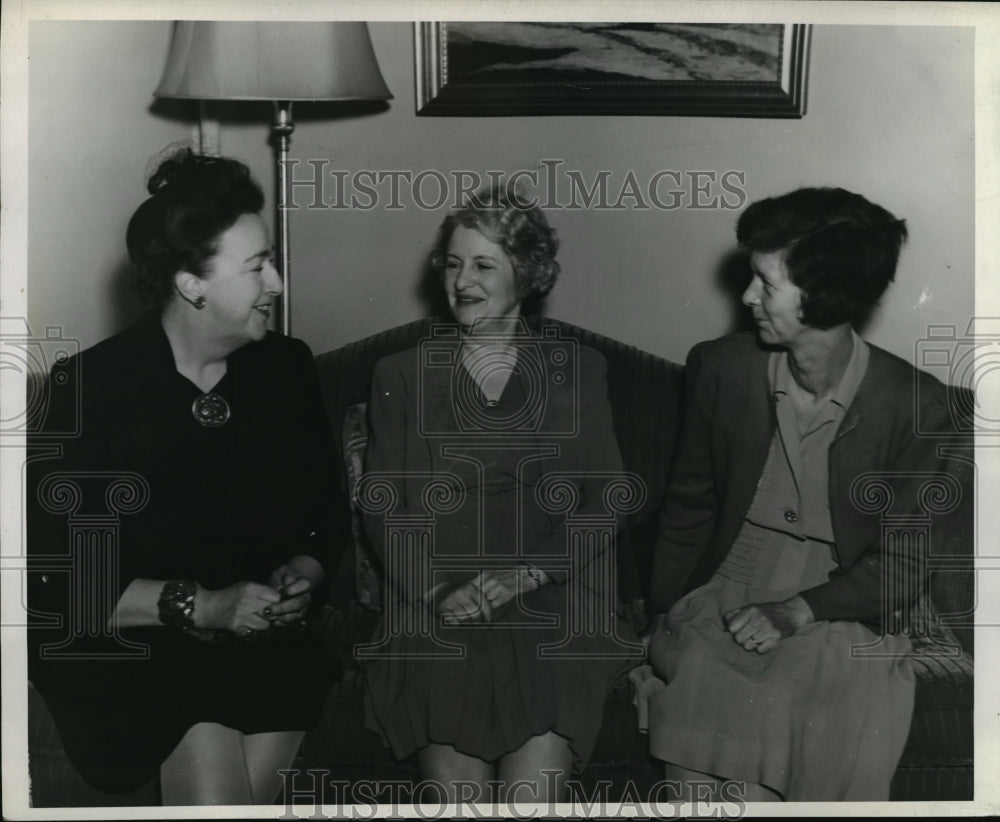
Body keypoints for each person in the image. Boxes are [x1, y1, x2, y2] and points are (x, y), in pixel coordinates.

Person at [27, 149, 344, 805]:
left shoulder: (284, 369)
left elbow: (325, 514)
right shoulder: (89, 389)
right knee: (202, 728)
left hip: (260, 644)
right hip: (135, 647)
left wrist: (301, 575)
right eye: (257, 266)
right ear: (192, 285)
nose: (278, 283)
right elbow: (65, 582)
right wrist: (201, 604)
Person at [638, 187, 956, 801]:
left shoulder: (918, 406)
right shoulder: (722, 368)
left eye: (765, 282)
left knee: (810, 693)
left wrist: (797, 611)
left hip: (842, 593)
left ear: (824, 296)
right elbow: (689, 506)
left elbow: (904, 564)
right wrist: (660, 616)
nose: (746, 296)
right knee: (706, 676)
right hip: (731, 572)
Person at [360, 188, 639, 803]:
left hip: (554, 592)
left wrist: (526, 574)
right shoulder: (400, 375)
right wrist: (435, 594)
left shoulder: (578, 368)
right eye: (453, 263)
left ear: (529, 274)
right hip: (439, 595)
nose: (462, 281)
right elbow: (384, 509)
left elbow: (611, 495)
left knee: (529, 803)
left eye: (484, 265)